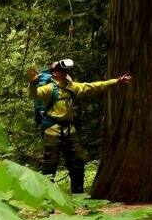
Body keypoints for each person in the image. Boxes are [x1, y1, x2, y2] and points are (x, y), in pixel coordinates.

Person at [27, 59, 132, 194]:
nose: (65, 73)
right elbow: (34, 94)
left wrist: (116, 81)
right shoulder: (49, 88)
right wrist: (32, 83)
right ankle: (48, 201)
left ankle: (78, 197)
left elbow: (93, 86)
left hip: (70, 132)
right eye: (62, 71)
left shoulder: (72, 87)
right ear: (55, 73)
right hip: (52, 132)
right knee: (50, 167)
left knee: (77, 163)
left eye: (66, 71)